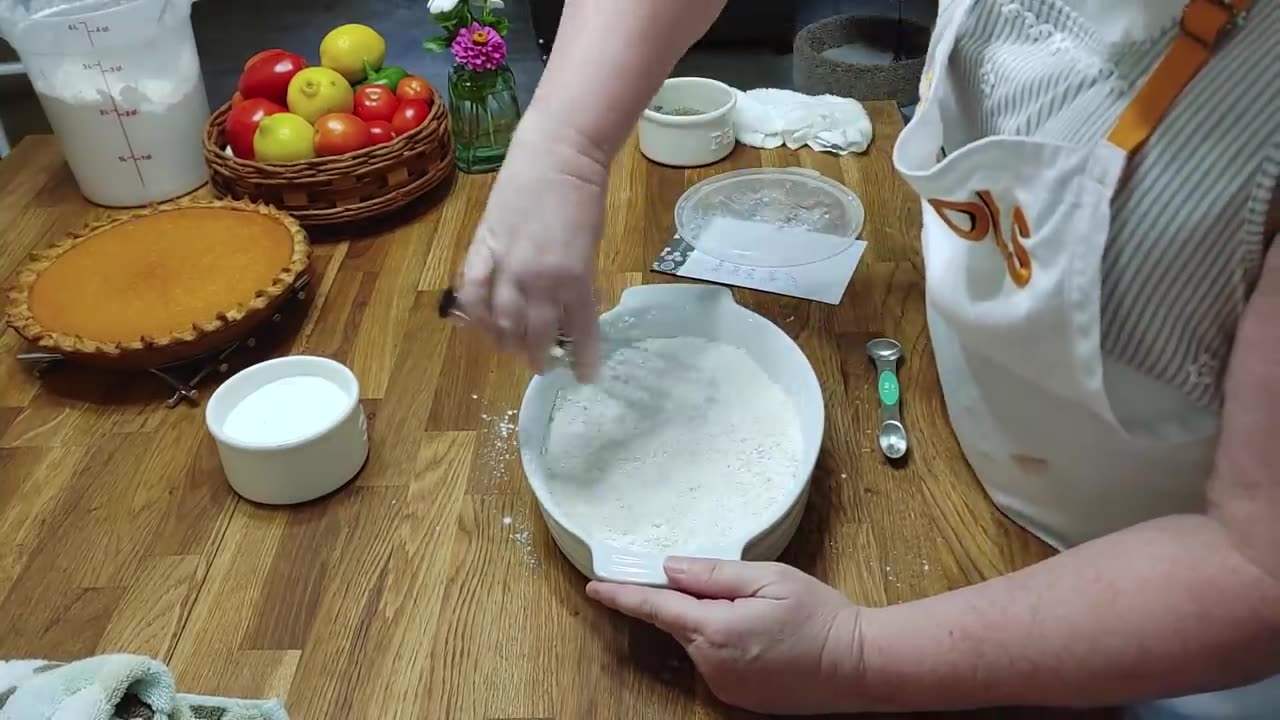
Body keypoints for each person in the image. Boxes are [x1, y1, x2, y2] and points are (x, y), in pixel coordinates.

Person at [456, 0, 1280, 716]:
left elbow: (1256, 568)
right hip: (948, 426)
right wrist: (564, 145)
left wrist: (850, 656)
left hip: (1153, 633)